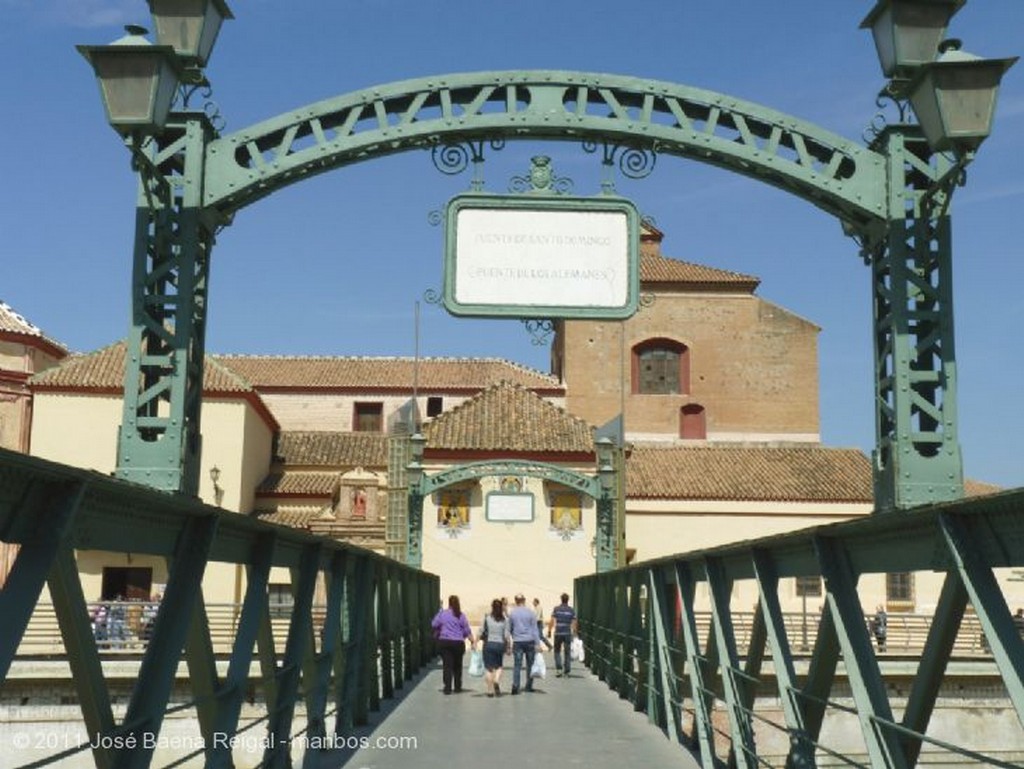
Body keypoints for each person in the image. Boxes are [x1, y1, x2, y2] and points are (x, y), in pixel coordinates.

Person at [431, 595, 475, 695]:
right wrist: (472, 641)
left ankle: (447, 688)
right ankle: (458, 687)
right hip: (458, 643)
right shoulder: (461, 615)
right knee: (457, 666)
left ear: (449, 603)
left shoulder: (442, 614)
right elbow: (466, 630)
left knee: (447, 665)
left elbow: (434, 624)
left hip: (445, 642)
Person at [508, 594, 540, 694]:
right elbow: (535, 629)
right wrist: (537, 643)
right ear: (524, 600)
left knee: (517, 665)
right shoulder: (530, 612)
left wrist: (511, 640)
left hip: (518, 641)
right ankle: (529, 685)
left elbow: (509, 628)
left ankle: (515, 685)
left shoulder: (512, 613)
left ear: (516, 600)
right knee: (530, 664)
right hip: (530, 641)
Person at [479, 598, 511, 697]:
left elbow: (481, 630)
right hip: (500, 645)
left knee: (489, 668)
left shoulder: (487, 617)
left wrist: (475, 642)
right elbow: (506, 635)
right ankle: (496, 680)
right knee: (499, 666)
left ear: (492, 607)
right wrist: (508, 647)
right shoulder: (505, 619)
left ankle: (489, 691)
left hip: (489, 644)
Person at [548, 592, 577, 678]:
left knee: (557, 651)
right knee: (567, 652)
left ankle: (559, 669)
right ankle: (567, 671)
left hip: (558, 632)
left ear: (561, 599)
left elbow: (552, 620)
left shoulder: (556, 609)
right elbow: (574, 622)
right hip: (567, 633)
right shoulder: (571, 610)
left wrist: (549, 630)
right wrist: (575, 633)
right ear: (568, 600)